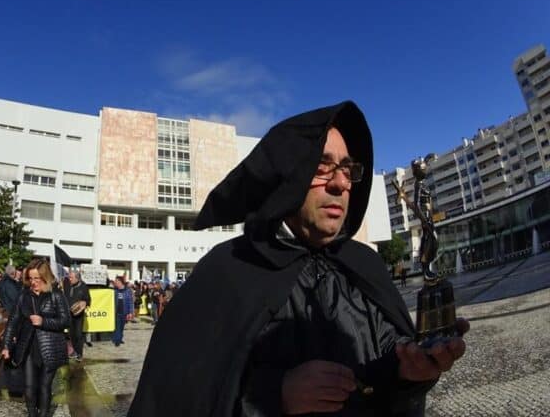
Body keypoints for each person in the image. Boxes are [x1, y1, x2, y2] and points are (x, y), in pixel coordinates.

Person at [128, 101, 469, 416]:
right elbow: (179, 395)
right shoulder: (227, 270)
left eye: (348, 170)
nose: (340, 183)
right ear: (288, 175)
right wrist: (273, 395)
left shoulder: (364, 264)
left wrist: (409, 372)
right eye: (322, 167)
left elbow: (383, 369)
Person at [1, 259, 70, 417]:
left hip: (50, 347)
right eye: (30, 278)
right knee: (29, 387)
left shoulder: (56, 295)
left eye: (36, 278)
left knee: (45, 387)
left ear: (45, 277)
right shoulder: (24, 295)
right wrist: (6, 346)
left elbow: (66, 321)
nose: (33, 282)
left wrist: (44, 321)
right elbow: (13, 321)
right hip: (29, 347)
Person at [63, 268, 91, 361]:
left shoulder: (83, 286)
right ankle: (74, 352)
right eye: (69, 277)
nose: (69, 279)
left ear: (77, 278)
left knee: (78, 335)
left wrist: (84, 303)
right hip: (69, 314)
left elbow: (88, 299)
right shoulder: (66, 284)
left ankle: (79, 354)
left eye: (71, 277)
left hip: (79, 315)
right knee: (72, 334)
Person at [112, 276, 134, 346]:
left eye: (116, 282)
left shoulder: (128, 291)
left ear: (120, 282)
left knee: (121, 327)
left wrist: (130, 312)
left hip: (125, 312)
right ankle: (117, 341)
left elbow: (130, 302)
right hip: (117, 311)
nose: (115, 283)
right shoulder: (114, 291)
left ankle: (120, 338)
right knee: (117, 327)